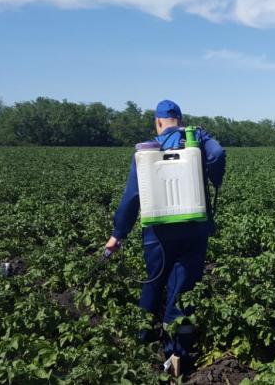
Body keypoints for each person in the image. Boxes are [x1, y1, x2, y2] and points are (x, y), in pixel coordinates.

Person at [103, 99, 226, 373]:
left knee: (153, 281)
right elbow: (217, 153)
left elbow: (132, 197)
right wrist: (213, 178)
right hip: (194, 228)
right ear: (180, 120)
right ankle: (177, 354)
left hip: (157, 231)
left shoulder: (148, 151)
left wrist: (118, 234)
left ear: (157, 123)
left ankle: (143, 339)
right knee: (182, 291)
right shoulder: (196, 141)